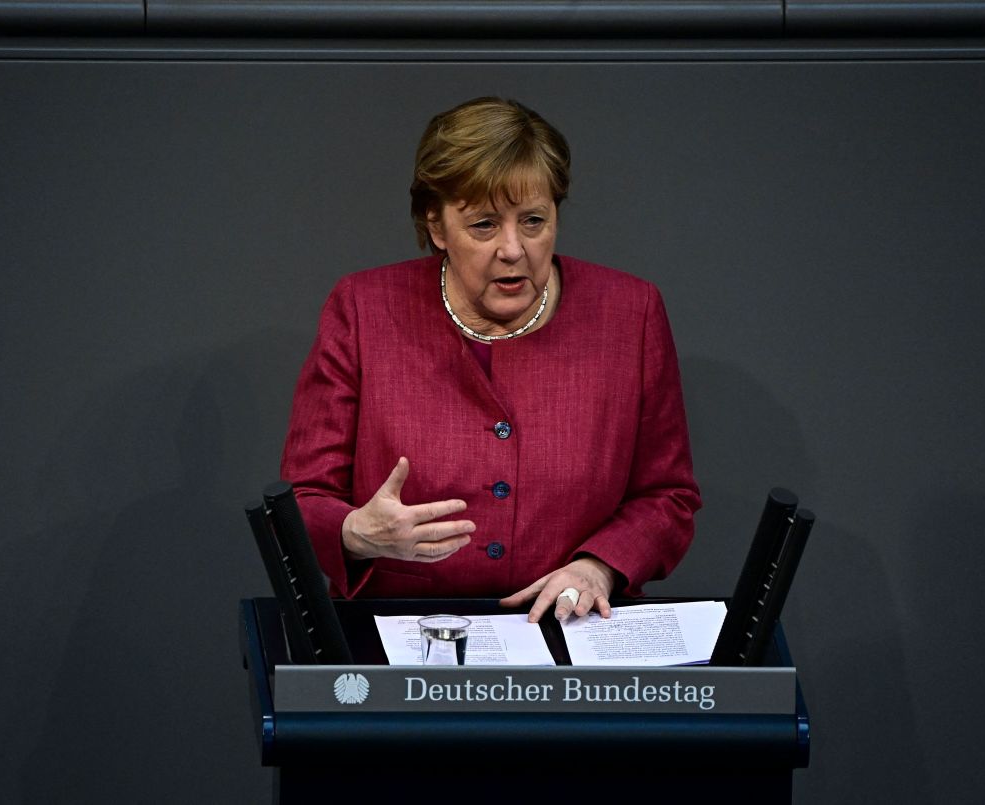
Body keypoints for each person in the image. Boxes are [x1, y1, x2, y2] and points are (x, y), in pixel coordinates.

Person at [281, 97, 700, 623]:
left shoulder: (629, 313)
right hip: (401, 632)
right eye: (483, 225)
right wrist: (356, 534)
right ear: (437, 227)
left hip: (571, 633)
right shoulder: (364, 309)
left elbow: (667, 494)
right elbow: (303, 497)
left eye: (533, 221)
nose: (512, 248)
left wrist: (599, 567)